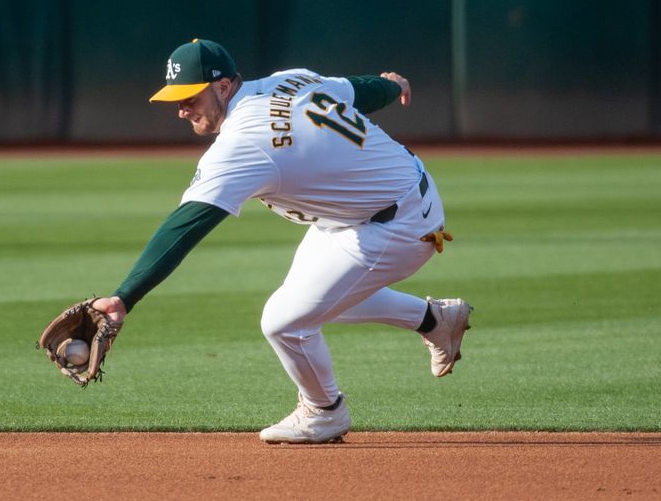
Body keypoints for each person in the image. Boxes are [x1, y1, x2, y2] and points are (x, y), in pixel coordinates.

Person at [91, 38, 472, 444]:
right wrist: (393, 86)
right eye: (176, 99)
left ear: (223, 87)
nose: (181, 109)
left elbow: (184, 227)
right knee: (312, 299)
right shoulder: (288, 80)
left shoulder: (242, 142)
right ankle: (436, 320)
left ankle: (324, 411)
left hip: (400, 226)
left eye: (190, 97)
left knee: (284, 322)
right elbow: (357, 91)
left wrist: (124, 297)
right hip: (371, 207)